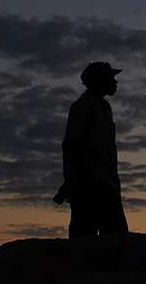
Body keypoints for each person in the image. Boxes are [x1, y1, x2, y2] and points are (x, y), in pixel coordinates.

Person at [55, 61, 129, 237]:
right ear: (98, 80)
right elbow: (72, 146)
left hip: (107, 185)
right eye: (110, 78)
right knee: (85, 241)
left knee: (116, 241)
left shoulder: (104, 107)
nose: (115, 82)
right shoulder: (82, 107)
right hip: (88, 186)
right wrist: (72, 181)